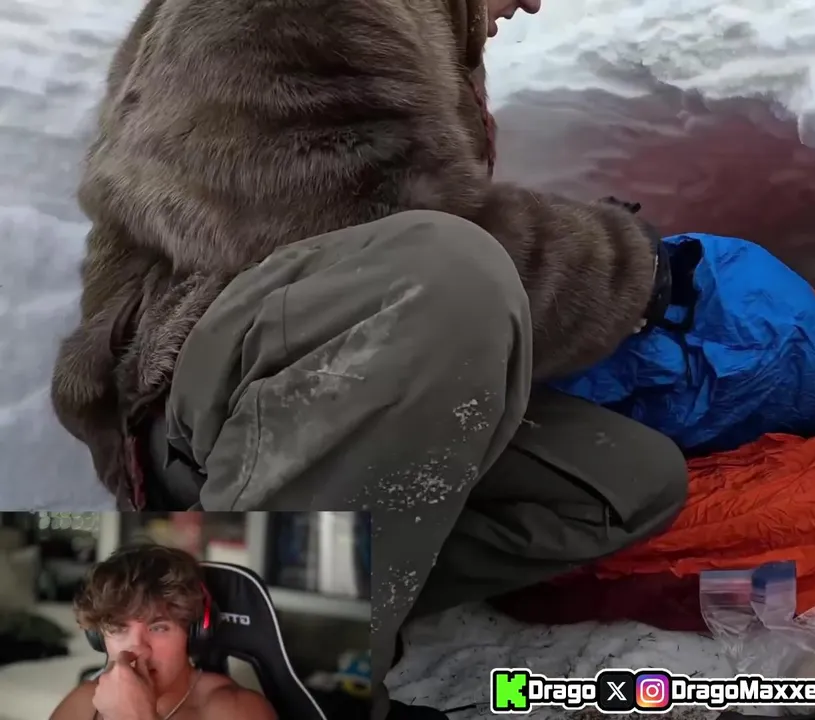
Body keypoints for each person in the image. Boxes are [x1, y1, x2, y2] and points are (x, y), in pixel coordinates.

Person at [47, 0, 689, 718]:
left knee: (625, 484)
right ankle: (299, 681)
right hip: (200, 393)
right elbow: (366, 223)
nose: (535, 2)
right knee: (448, 273)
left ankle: (303, 598)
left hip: (323, 371)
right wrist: (619, 268)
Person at [49, 544, 276, 720]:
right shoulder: (84, 703)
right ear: (99, 638)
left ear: (192, 633)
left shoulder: (238, 710)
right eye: (118, 628)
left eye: (158, 628)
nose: (138, 648)